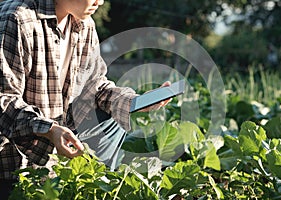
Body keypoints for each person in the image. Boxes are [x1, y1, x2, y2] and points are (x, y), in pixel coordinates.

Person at [0, 0, 170, 198]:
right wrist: (49, 129)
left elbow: (96, 86)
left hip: (56, 146)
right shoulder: (17, 19)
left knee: (112, 121)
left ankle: (90, 184)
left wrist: (134, 102)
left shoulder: (85, 25)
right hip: (12, 160)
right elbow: (4, 99)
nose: (100, 1)